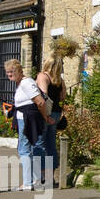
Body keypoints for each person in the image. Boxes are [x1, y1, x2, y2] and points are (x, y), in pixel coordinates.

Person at [5, 59, 53, 191]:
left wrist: (45, 117)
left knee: (24, 150)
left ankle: (27, 182)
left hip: (28, 120)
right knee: (29, 149)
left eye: (12, 71)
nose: (9, 74)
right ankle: (34, 180)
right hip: (26, 119)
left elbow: (40, 102)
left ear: (19, 70)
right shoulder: (22, 83)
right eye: (7, 72)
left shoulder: (26, 83)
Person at [36, 58, 67, 189]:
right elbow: (62, 97)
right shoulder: (60, 81)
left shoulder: (43, 76)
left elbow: (44, 95)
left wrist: (45, 115)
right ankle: (51, 176)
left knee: (39, 143)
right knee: (50, 144)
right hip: (56, 113)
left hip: (46, 113)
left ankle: (42, 176)